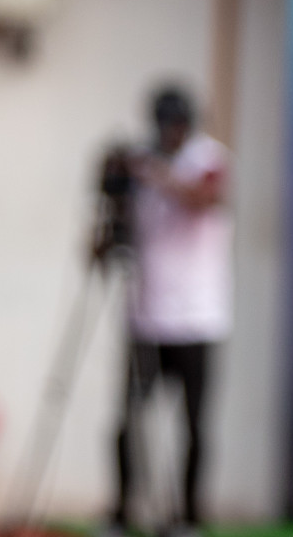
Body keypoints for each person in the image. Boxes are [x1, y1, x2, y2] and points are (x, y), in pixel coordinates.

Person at [100, 85, 231, 537]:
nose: (172, 133)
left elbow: (204, 197)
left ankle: (188, 516)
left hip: (198, 318)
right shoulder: (140, 160)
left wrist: (151, 172)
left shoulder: (206, 157)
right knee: (128, 418)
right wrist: (113, 191)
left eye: (178, 126)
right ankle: (122, 510)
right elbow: (106, 237)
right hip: (145, 317)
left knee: (193, 423)